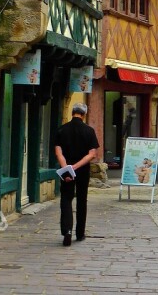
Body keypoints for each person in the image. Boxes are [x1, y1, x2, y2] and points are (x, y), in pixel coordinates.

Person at [55, 102, 99, 246]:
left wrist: (67, 167)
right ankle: (80, 233)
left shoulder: (62, 129)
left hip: (66, 171)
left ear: (72, 112)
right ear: (84, 114)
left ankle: (67, 230)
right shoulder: (89, 131)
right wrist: (76, 166)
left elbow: (58, 152)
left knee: (66, 199)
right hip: (82, 170)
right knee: (81, 200)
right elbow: (92, 154)